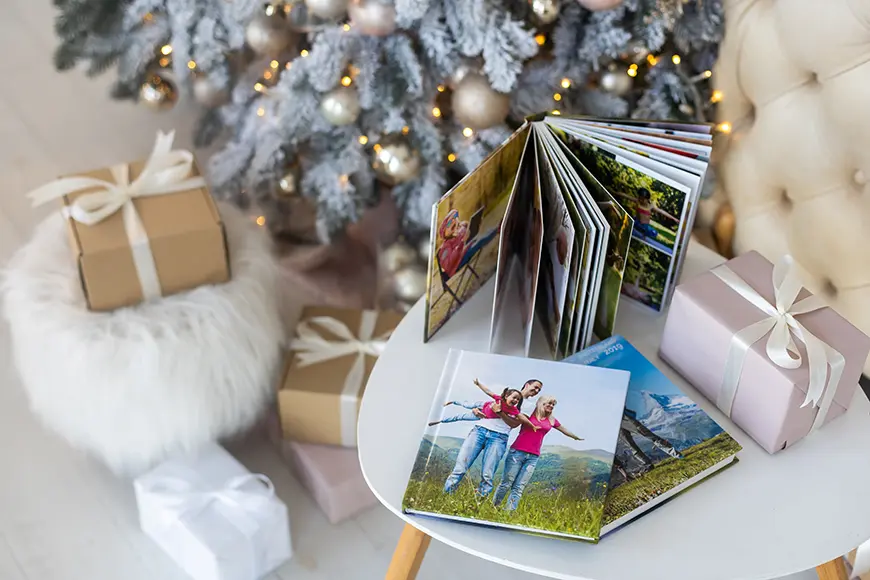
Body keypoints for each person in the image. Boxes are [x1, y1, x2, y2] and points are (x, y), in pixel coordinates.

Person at [443, 378, 543, 497]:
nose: (537, 390)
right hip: (479, 431)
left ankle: (478, 503)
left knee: (487, 474)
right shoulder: (507, 394)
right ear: (527, 385)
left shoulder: (529, 405)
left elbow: (514, 424)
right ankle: (446, 496)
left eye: (539, 390)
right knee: (460, 468)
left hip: (499, 437)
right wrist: (476, 410)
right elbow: (487, 405)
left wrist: (500, 413)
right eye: (535, 387)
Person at [493, 396, 583, 512]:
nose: (551, 406)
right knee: (506, 483)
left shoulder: (551, 420)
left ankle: (508, 512)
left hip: (533, 456)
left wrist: (575, 437)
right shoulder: (528, 414)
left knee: (519, 487)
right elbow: (513, 414)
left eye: (553, 405)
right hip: (517, 452)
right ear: (541, 403)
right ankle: (494, 507)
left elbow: (563, 429)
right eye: (548, 404)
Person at [430, 379, 537, 430]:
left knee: (460, 417)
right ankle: (453, 402)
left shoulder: (513, 410)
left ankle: (440, 421)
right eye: (514, 398)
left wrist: (532, 426)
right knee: (467, 405)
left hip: (483, 416)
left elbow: (522, 418)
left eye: (517, 400)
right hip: (483, 405)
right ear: (506, 396)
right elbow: (488, 391)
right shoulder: (499, 398)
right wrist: (478, 384)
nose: (515, 401)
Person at [437, 209, 499, 278]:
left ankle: (496, 229)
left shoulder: (460, 228)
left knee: (481, 236)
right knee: (479, 241)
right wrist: (462, 242)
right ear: (444, 233)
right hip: (458, 263)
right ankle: (498, 229)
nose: (453, 221)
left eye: (455, 217)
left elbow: (470, 231)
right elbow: (449, 263)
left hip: (467, 248)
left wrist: (476, 224)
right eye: (449, 223)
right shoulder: (445, 247)